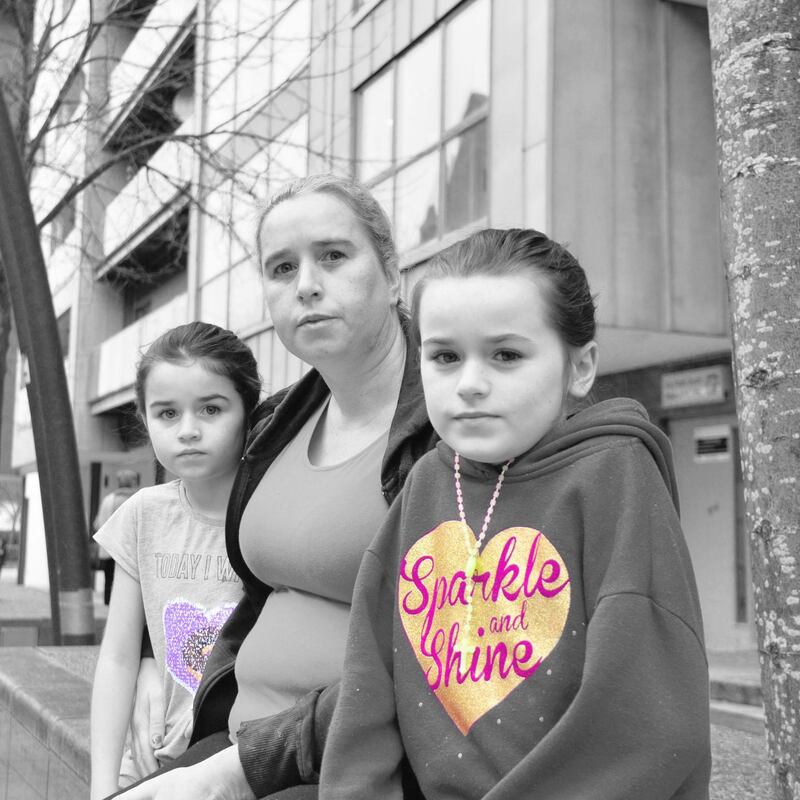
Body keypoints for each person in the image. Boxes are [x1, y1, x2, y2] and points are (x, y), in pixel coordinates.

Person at [320, 228, 711, 799]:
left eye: (506, 355)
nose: (471, 384)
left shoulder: (613, 474)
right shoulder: (428, 480)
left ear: (579, 369)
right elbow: (369, 686)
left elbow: (644, 724)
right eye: (445, 356)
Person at [113, 174, 436, 800]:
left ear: (393, 272)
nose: (306, 284)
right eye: (281, 268)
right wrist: (152, 654)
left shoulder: (455, 428)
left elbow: (454, 657)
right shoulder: (275, 423)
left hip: (358, 765)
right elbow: (189, 527)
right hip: (232, 738)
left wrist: (238, 770)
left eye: (334, 256)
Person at [91, 322, 261, 800]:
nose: (188, 430)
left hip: (232, 766)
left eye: (211, 408)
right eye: (167, 413)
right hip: (146, 761)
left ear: (247, 410)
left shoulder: (270, 512)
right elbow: (118, 657)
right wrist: (102, 786)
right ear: (145, 419)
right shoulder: (143, 515)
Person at [94, 470, 141, 605]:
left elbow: (97, 524)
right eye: (134, 480)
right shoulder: (133, 500)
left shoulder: (108, 499)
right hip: (126, 550)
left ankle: (108, 606)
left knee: (109, 579)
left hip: (108, 549)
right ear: (131, 482)